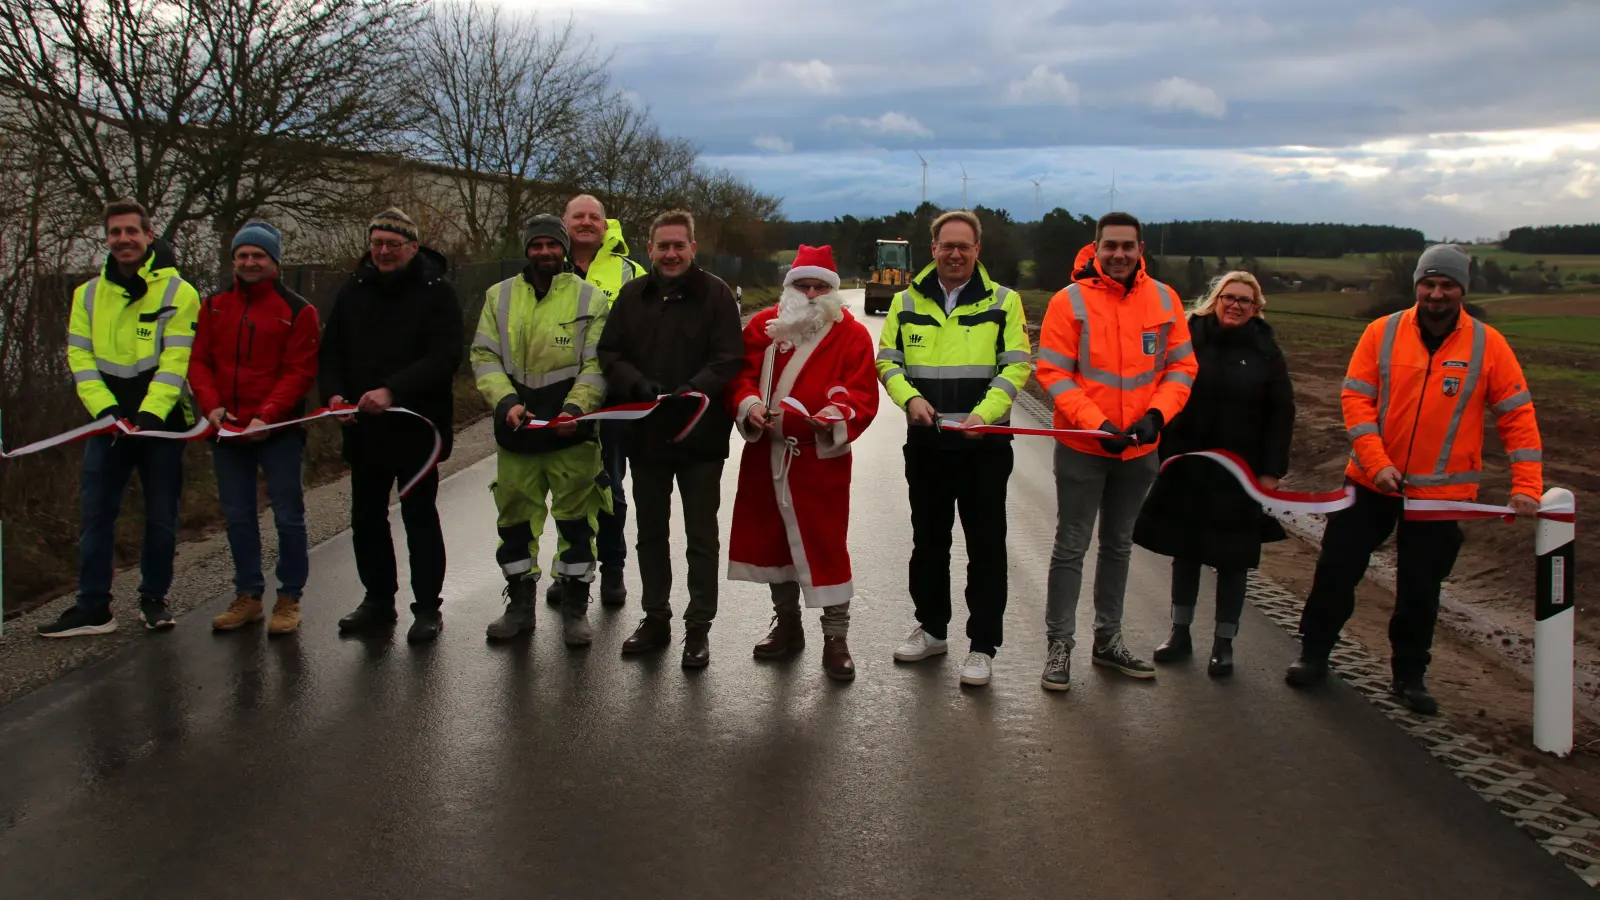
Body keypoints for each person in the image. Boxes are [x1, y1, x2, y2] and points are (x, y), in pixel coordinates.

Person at [1287, 244, 1544, 715]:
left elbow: (1517, 417)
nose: (1436, 294)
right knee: (1336, 571)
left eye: (1447, 285)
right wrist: (1376, 462)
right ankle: (1314, 653)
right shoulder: (1381, 333)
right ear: (1417, 286)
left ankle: (1409, 676)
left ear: (1462, 289)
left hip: (1443, 495)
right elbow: (1356, 402)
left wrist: (1527, 485)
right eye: (1429, 284)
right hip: (1370, 482)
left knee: (1420, 590)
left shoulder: (1489, 346)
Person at [1033, 212, 1197, 691]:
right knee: (1071, 546)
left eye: (1128, 246)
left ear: (1140, 247)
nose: (1119, 254)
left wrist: (1158, 417)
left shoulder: (1165, 299)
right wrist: (1095, 424)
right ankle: (1059, 644)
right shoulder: (1071, 301)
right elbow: (1054, 373)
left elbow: (1181, 367)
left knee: (1119, 546)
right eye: (1111, 246)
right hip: (1084, 444)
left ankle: (1108, 641)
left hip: (1139, 449)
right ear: (1097, 248)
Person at [877, 210, 1032, 688]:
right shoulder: (904, 302)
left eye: (965, 246)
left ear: (977, 250)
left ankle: (983, 646)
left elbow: (1017, 367)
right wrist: (911, 399)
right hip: (927, 444)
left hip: (984, 444)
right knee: (929, 544)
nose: (956, 253)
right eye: (948, 245)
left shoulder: (1006, 302)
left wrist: (984, 414)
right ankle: (933, 629)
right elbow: (887, 361)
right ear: (934, 249)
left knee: (986, 548)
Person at [38, 200, 201, 638]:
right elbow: (79, 356)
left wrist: (150, 412)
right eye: (115, 233)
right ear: (106, 239)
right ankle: (93, 607)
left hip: (160, 423)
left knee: (161, 516)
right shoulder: (86, 295)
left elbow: (176, 359)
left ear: (149, 236)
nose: (123, 239)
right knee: (95, 515)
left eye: (132, 231)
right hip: (107, 424)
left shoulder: (180, 292)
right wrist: (104, 410)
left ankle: (154, 599)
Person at [727, 245, 880, 680]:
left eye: (819, 286)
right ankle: (788, 626)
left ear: (831, 291)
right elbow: (739, 376)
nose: (811, 293)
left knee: (825, 545)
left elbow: (861, 392)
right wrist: (750, 405)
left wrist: (831, 417)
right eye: (803, 284)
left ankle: (836, 638)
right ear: (789, 286)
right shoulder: (763, 326)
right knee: (776, 543)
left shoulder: (851, 335)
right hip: (768, 453)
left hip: (818, 460)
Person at [597, 209, 743, 668]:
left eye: (680, 245)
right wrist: (635, 382)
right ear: (651, 249)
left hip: (701, 436)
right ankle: (655, 617)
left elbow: (728, 357)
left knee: (701, 537)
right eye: (664, 246)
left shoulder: (717, 295)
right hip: (647, 436)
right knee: (651, 534)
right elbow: (609, 352)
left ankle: (698, 627)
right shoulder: (632, 296)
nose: (672, 253)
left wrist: (694, 387)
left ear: (693, 248)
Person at [1131, 271, 1294, 677]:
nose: (1236, 305)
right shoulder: (1186, 339)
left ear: (1257, 309)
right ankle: (1179, 633)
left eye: (1246, 300)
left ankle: (1224, 643)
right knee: (1184, 552)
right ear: (1214, 299)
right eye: (1229, 297)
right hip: (1186, 466)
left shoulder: (1265, 352)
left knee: (1233, 560)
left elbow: (1281, 415)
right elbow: (1159, 390)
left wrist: (1271, 472)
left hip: (1240, 474)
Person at [320, 208, 463, 643]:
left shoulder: (437, 292)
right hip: (365, 431)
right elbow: (331, 352)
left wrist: (391, 391)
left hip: (418, 429)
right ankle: (378, 599)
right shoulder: (353, 290)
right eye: (377, 243)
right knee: (366, 517)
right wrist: (334, 396)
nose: (383, 251)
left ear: (413, 247)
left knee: (419, 517)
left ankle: (427, 607)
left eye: (392, 244)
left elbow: (444, 357)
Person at [473, 215, 609, 646]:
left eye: (553, 245)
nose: (545, 252)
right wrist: (506, 403)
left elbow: (597, 363)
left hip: (573, 436)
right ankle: (519, 607)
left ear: (565, 249)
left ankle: (574, 608)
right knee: (514, 525)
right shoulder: (499, 297)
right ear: (527, 248)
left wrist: (576, 408)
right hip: (517, 435)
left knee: (575, 525)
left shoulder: (590, 297)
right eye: (537, 245)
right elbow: (484, 356)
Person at [190, 221, 320, 636]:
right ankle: (248, 596)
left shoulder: (298, 310)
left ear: (274, 262)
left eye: (258, 255)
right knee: (238, 516)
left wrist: (268, 415)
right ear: (233, 261)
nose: (249, 262)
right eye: (243, 255)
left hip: (276, 432)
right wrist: (210, 408)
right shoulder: (212, 306)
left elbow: (299, 371)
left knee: (288, 516)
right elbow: (199, 363)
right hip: (225, 431)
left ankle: (289, 597)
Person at [559, 194, 644, 609]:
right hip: (558, 399)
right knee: (566, 487)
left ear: (606, 223)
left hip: (612, 401)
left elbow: (647, 331)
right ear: (565, 222)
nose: (587, 222)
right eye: (579, 216)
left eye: (595, 216)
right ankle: (569, 566)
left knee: (609, 486)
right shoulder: (549, 266)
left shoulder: (630, 271)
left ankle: (613, 569)